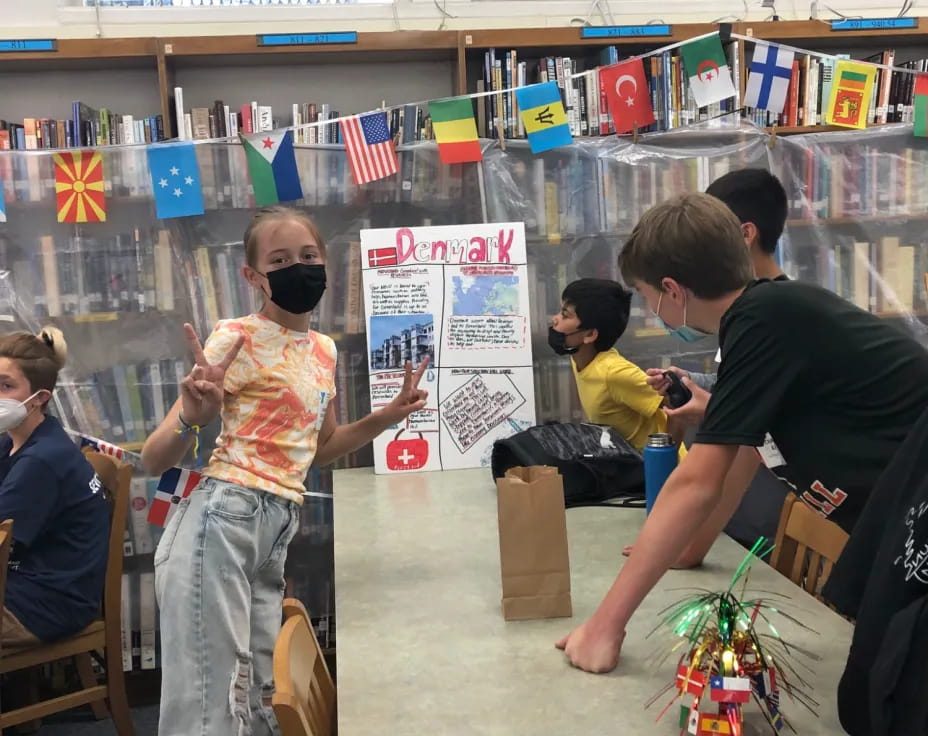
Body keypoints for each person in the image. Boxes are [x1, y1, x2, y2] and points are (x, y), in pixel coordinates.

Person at [556, 192, 928, 674]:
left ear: (673, 290)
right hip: (898, 518)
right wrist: (693, 546)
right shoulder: (762, 320)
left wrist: (604, 626)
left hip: (913, 517)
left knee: (878, 703)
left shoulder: (764, 319)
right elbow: (747, 450)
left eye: (648, 298)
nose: (653, 312)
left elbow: (697, 481)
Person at [142, 206, 427, 736]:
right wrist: (192, 416)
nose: (298, 267)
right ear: (253, 276)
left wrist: (384, 419)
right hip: (220, 520)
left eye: (308, 256)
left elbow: (319, 449)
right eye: (279, 259)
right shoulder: (235, 337)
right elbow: (154, 458)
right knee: (207, 701)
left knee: (255, 695)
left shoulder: (323, 349)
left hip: (277, 525)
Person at [643, 168, 792, 555]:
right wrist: (692, 383)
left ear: (744, 234)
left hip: (762, 523)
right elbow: (742, 390)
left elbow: (757, 429)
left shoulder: (770, 317)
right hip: (732, 521)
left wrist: (689, 545)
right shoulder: (747, 313)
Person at [0, 327, 109, 647]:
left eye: (6, 386)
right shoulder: (17, 440)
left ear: (40, 398)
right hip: (26, 584)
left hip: (46, 604)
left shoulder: (43, 461)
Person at [548, 278, 685, 461]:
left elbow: (679, 406)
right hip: (626, 464)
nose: (554, 319)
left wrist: (662, 462)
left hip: (659, 470)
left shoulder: (615, 373)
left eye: (565, 315)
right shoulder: (581, 359)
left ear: (590, 334)